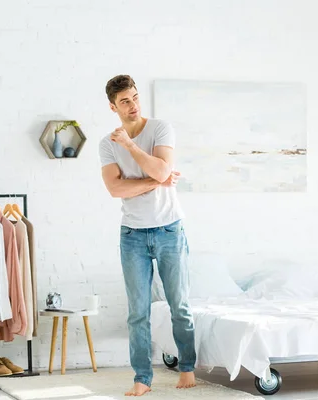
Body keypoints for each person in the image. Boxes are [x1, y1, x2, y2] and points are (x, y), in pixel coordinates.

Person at [99, 74, 197, 396]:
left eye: (135, 97)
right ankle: (142, 377)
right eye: (125, 101)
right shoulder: (105, 145)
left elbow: (161, 169)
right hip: (133, 236)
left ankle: (187, 367)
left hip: (169, 228)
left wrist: (130, 146)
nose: (133, 105)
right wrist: (158, 180)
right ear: (113, 106)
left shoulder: (159, 128)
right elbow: (115, 189)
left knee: (178, 304)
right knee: (137, 311)